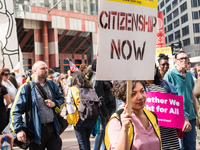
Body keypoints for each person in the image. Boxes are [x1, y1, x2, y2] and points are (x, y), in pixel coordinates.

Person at [10, 61, 65, 150]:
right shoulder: (25, 88)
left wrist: (54, 104)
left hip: (53, 128)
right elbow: (16, 111)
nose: (46, 70)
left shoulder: (53, 84)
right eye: (43, 68)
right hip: (35, 131)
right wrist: (19, 130)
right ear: (34, 71)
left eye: (46, 68)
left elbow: (62, 99)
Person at [105, 81, 161, 150]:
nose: (140, 97)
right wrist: (124, 129)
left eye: (142, 91)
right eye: (133, 94)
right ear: (123, 99)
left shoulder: (152, 116)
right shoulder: (117, 120)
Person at [146, 66, 191, 150]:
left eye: (153, 67)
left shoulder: (165, 84)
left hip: (169, 133)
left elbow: (177, 103)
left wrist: (185, 119)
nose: (150, 70)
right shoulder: (137, 87)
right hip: (150, 132)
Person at [164, 50, 198, 150]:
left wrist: (196, 115)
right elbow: (166, 98)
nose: (184, 60)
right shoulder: (169, 75)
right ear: (176, 61)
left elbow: (192, 96)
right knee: (180, 146)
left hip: (191, 116)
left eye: (186, 58)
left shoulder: (189, 75)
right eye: (181, 58)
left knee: (191, 146)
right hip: (177, 118)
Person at [66, 71, 96, 150]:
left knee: (82, 141)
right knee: (87, 140)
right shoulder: (91, 88)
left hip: (79, 118)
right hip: (91, 117)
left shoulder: (73, 89)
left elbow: (69, 104)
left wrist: (72, 119)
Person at [91, 59, 116, 150]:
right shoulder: (97, 78)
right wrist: (105, 113)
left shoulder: (101, 77)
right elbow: (99, 97)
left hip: (107, 107)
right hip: (104, 109)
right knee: (101, 131)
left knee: (104, 131)